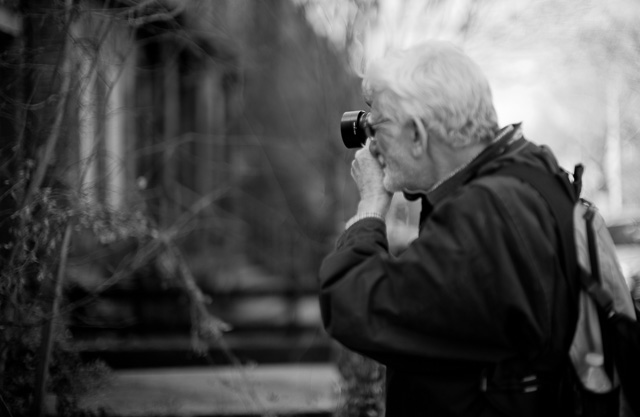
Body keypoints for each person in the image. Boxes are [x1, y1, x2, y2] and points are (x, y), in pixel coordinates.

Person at [318, 41, 579, 416]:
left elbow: (354, 306)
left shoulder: (486, 216)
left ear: (417, 136)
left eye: (377, 127)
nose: (371, 145)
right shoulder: (528, 172)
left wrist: (370, 208)